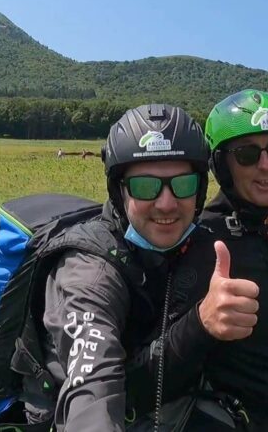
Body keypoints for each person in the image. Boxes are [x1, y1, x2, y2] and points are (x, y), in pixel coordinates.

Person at [18, 103, 217, 430]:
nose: (167, 203)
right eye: (145, 186)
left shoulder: (189, 245)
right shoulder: (91, 274)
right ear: (119, 191)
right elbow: (93, 380)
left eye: (182, 184)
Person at [165, 89, 268, 430]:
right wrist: (201, 323)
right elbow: (159, 369)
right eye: (247, 154)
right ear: (222, 165)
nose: (266, 165)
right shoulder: (203, 240)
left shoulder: (265, 229)